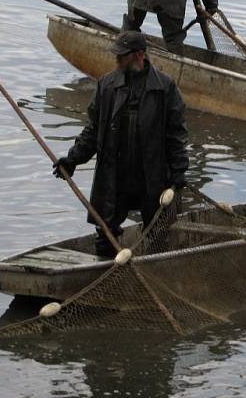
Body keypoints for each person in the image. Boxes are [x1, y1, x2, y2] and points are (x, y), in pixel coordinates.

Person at [53, 31, 189, 256]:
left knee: (157, 233)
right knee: (105, 232)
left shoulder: (165, 88)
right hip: (115, 173)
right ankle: (104, 272)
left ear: (139, 56)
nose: (116, 59)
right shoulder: (107, 85)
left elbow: (176, 135)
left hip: (151, 174)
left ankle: (153, 269)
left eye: (122, 55)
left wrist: (179, 170)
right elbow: (93, 130)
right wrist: (73, 159)